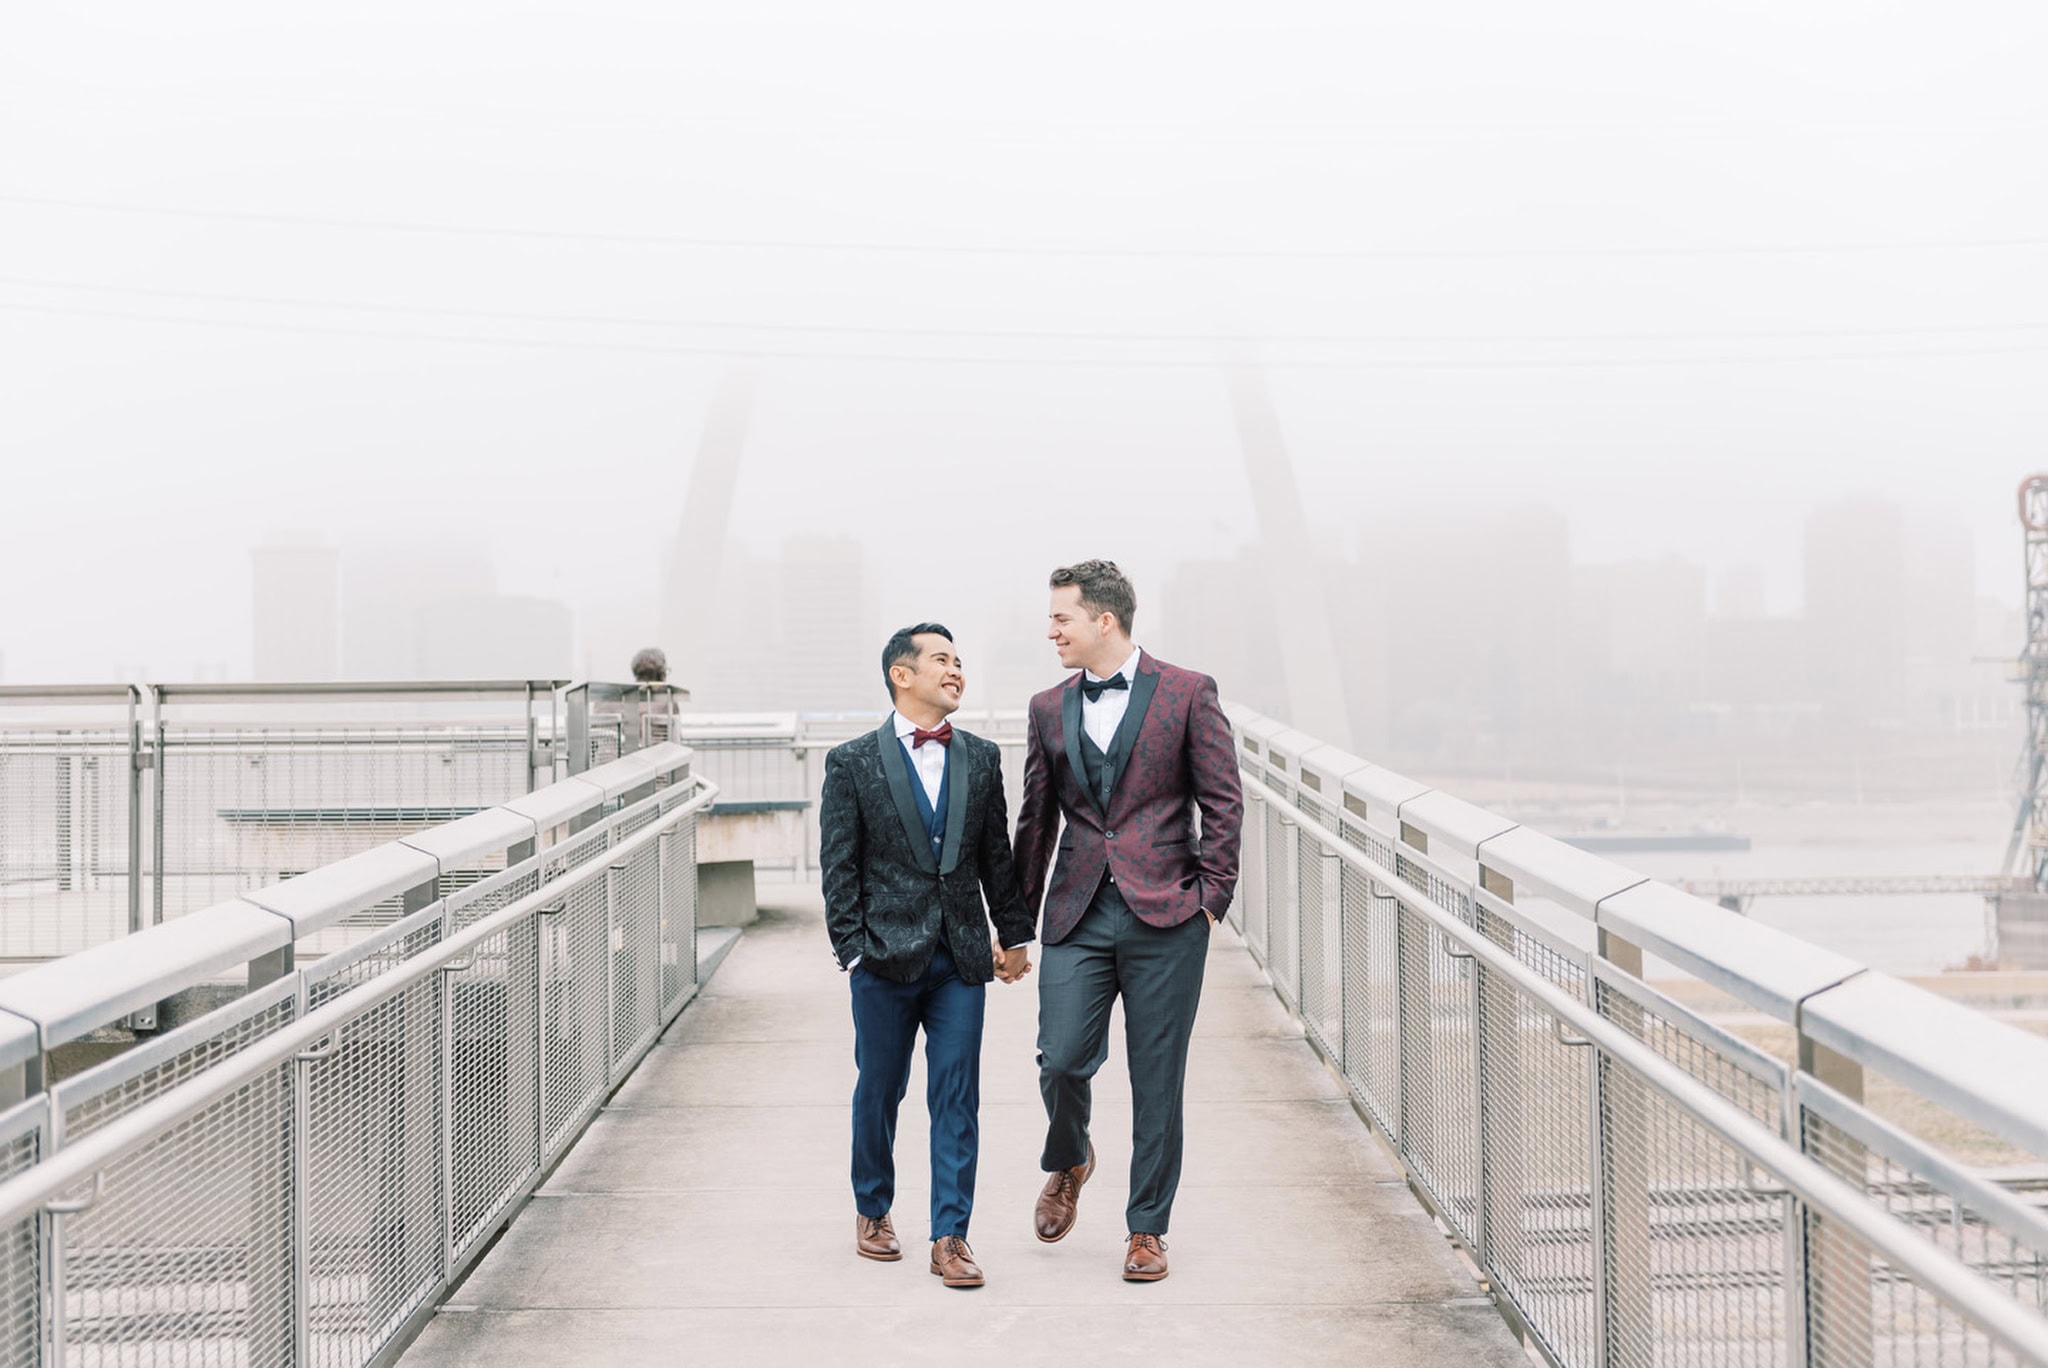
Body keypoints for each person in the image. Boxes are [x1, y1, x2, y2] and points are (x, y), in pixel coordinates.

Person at [1011, 559, 1243, 1282]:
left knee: (1157, 1078)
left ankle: (1147, 1228)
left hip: (1169, 913)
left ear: (1103, 620)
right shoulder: (1047, 707)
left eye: (1062, 619)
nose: (1052, 631)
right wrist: (1015, 924)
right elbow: (1036, 821)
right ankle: (1071, 1156)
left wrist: (1210, 903)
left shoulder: (1188, 692)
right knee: (1061, 1058)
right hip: (1076, 910)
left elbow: (1223, 803)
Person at [819, 623, 1035, 1289]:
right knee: (880, 1089)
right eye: (942, 659)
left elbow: (995, 857)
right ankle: (873, 1208)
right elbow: (838, 865)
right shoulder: (851, 761)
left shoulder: (981, 757)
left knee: (957, 1096)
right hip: (882, 960)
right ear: (901, 674)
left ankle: (951, 1236)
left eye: (960, 661)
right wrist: (852, 952)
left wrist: (1014, 935)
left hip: (960, 960)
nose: (956, 670)